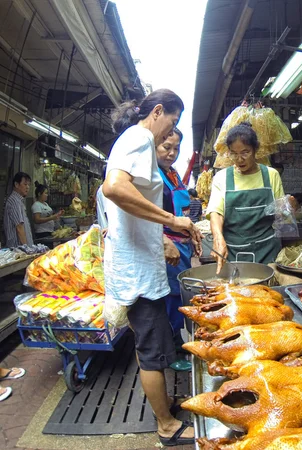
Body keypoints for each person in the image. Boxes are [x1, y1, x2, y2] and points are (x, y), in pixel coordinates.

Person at [102, 89, 201, 446]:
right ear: (158, 112)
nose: (169, 133)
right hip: (137, 273)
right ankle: (166, 426)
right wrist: (172, 221)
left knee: (155, 345)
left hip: (139, 266)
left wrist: (162, 232)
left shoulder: (134, 140)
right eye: (171, 122)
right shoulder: (140, 138)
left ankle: (165, 405)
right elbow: (113, 188)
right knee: (151, 352)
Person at [206, 122, 284, 273]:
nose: (239, 159)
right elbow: (216, 212)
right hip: (234, 252)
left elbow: (280, 214)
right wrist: (218, 238)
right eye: (234, 153)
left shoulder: (271, 175)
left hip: (267, 250)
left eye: (245, 152)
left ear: (256, 150)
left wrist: (289, 208)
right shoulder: (222, 177)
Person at [156, 128, 194, 371]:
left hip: (182, 246)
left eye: (176, 148)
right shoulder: (152, 175)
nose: (171, 153)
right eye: (166, 146)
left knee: (179, 296)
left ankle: (178, 343)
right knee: (170, 300)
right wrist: (165, 241)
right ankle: (170, 354)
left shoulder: (173, 174)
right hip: (166, 247)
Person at [3, 172, 33, 248]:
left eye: (28, 185)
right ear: (16, 184)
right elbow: (19, 228)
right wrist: (27, 249)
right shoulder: (14, 201)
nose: (27, 187)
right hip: (18, 250)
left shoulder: (19, 201)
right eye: (25, 184)